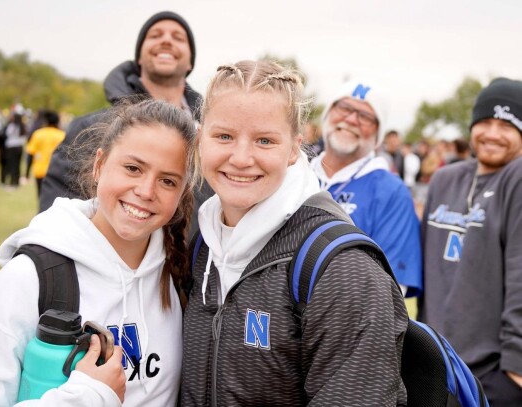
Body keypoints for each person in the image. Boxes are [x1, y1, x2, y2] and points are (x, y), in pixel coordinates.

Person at [180, 60, 407, 406]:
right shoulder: (203, 243)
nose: (241, 158)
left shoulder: (343, 270)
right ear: (200, 139)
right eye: (224, 135)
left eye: (265, 140)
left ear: (293, 148)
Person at [0, 99, 197, 406]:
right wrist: (88, 395)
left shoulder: (177, 272)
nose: (146, 191)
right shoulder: (30, 278)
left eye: (167, 181)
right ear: (99, 165)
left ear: (182, 191)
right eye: (133, 168)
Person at [40, 11, 212, 234]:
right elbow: (55, 216)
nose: (167, 40)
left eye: (178, 38)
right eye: (155, 35)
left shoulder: (211, 138)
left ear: (190, 62)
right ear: (139, 57)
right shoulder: (89, 128)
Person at [419, 77, 522, 406]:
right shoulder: (447, 179)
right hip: (436, 363)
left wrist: (516, 369)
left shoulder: (516, 179)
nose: (492, 133)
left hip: (490, 373)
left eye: (507, 125)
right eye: (485, 122)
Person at [310, 79, 422, 297]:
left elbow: (391, 290)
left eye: (365, 116)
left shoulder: (391, 192)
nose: (351, 119)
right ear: (328, 114)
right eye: (344, 107)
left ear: (378, 135)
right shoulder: (294, 175)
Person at [25, 111, 65, 196]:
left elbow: (30, 154)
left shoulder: (38, 134)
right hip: (56, 171)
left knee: (41, 197)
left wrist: (27, 173)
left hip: (40, 170)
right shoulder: (62, 135)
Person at [2, 112, 27, 188]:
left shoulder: (12, 126)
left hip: (11, 147)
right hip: (19, 147)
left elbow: (7, 134)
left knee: (12, 164)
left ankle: (12, 182)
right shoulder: (22, 126)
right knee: (17, 165)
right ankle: (16, 181)